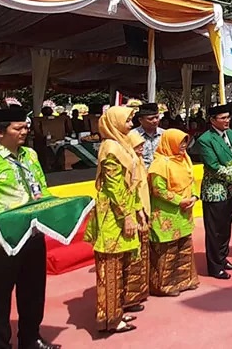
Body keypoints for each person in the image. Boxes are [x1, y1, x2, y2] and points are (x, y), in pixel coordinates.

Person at [0, 109, 62, 349]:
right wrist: (5, 218)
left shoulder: (31, 155)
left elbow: (42, 189)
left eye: (25, 127)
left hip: (33, 235)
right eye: (18, 128)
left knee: (33, 291)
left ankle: (30, 339)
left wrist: (54, 204)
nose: (25, 131)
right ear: (0, 131)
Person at [84, 106, 146, 334]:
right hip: (113, 217)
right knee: (110, 269)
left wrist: (137, 210)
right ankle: (109, 318)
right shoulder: (110, 148)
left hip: (124, 213)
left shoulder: (122, 144)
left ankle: (116, 311)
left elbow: (132, 184)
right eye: (128, 121)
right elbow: (114, 188)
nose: (131, 125)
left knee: (121, 268)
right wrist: (128, 216)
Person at [147, 129, 200, 296]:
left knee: (183, 247)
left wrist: (193, 196)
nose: (184, 145)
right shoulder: (160, 164)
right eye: (180, 142)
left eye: (185, 142)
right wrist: (179, 200)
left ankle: (185, 280)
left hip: (184, 212)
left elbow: (190, 179)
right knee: (166, 251)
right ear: (170, 143)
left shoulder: (184, 159)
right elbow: (158, 190)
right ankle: (164, 286)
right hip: (166, 214)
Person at [197, 104, 232, 279]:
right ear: (212, 120)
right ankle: (214, 265)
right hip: (215, 191)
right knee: (214, 230)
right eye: (223, 118)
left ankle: (223, 258)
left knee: (226, 227)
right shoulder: (205, 139)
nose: (227, 121)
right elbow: (213, 166)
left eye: (228, 117)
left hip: (231, 190)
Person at [125, 130, 152, 308]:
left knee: (142, 255)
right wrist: (137, 211)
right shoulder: (129, 164)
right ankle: (130, 297)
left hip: (143, 212)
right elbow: (131, 191)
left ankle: (140, 292)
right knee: (133, 258)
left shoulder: (139, 162)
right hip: (135, 212)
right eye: (138, 145)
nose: (142, 148)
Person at [134, 103, 165, 169]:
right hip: (141, 175)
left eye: (157, 117)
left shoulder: (165, 134)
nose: (155, 121)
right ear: (140, 120)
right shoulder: (133, 135)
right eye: (150, 119)